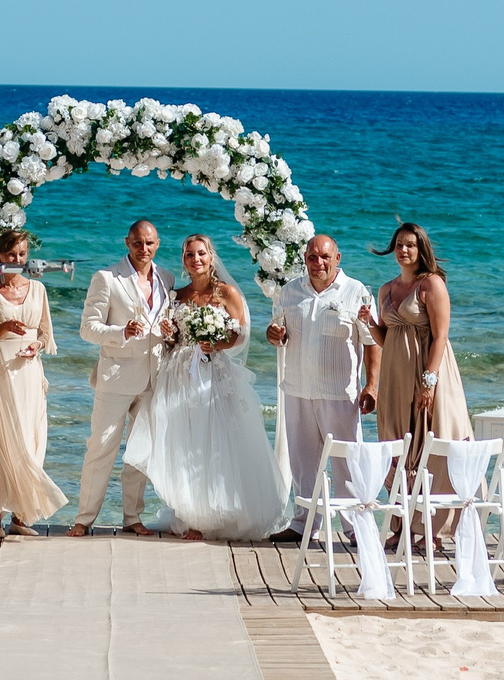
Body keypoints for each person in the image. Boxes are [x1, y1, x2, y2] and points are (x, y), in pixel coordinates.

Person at [123, 233, 291, 541]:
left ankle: (215, 512)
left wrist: (216, 344)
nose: (195, 259)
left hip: (213, 374)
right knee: (182, 441)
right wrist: (169, 332)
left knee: (212, 441)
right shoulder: (178, 294)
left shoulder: (226, 292)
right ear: (184, 260)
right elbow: (173, 339)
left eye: (201, 253)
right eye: (189, 255)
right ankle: (190, 513)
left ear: (211, 257)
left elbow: (240, 335)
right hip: (179, 373)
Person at [264, 234, 377, 542]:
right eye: (312, 257)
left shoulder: (357, 292)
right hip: (298, 388)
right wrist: (275, 335)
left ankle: (355, 527)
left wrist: (372, 385)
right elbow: (279, 334)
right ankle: (303, 524)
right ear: (305, 259)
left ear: (337, 259)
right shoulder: (289, 292)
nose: (318, 263)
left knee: (346, 462)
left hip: (339, 393)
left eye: (325, 257)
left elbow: (372, 342)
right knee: (302, 461)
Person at [366, 221, 473, 530]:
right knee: (399, 448)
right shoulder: (386, 289)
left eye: (410, 245)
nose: (403, 250)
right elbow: (389, 340)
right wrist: (370, 324)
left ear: (421, 248)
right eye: (399, 244)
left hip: (431, 375)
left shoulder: (432, 285)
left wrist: (429, 380)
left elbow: (440, 337)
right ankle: (401, 526)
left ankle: (432, 528)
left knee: (434, 442)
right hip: (396, 380)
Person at [72, 218, 172, 537]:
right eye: (138, 242)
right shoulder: (106, 278)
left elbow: (166, 326)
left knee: (139, 452)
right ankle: (84, 518)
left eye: (150, 243)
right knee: (100, 447)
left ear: (158, 244)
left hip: (153, 377)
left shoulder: (166, 278)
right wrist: (121, 332)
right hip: (115, 377)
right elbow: (88, 328)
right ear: (127, 242)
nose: (144, 249)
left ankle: (133, 517)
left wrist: (171, 333)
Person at [0, 229, 66, 537]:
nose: (17, 259)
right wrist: (4, 328)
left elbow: (44, 335)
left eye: (22, 254)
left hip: (28, 373)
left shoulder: (38, 289)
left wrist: (35, 346)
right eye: (11, 254)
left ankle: (22, 517)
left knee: (30, 440)